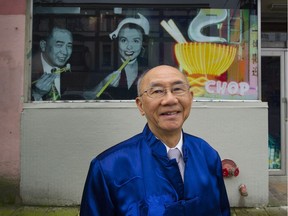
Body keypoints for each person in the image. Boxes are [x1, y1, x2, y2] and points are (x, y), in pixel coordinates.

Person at [80, 65, 231, 215]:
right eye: (157, 91)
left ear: (190, 98)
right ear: (140, 105)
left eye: (178, 89)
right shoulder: (108, 167)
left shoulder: (207, 154)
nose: (170, 99)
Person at [83, 13, 150, 100]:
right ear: (117, 42)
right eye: (124, 40)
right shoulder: (102, 67)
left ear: (142, 44)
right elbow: (86, 97)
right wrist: (103, 84)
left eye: (135, 41)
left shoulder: (148, 69)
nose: (129, 46)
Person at [31, 26, 73, 101]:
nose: (65, 52)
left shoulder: (72, 70)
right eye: (59, 45)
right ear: (43, 45)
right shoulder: (28, 68)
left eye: (69, 46)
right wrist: (37, 94)